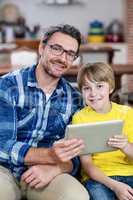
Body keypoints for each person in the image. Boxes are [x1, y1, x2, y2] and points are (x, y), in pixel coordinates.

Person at [0, 24, 89, 200]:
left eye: (70, 54)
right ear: (42, 47)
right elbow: (2, 144)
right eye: (57, 49)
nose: (63, 58)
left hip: (48, 173)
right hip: (4, 170)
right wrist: (49, 155)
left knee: (76, 197)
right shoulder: (8, 86)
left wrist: (56, 167)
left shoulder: (76, 100)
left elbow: (78, 155)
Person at [72, 62, 133, 200]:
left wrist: (125, 146)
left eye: (99, 86)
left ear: (110, 87)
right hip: (98, 179)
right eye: (87, 88)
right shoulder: (80, 118)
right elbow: (87, 165)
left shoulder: (127, 113)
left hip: (130, 173)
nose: (93, 93)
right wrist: (115, 186)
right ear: (81, 91)